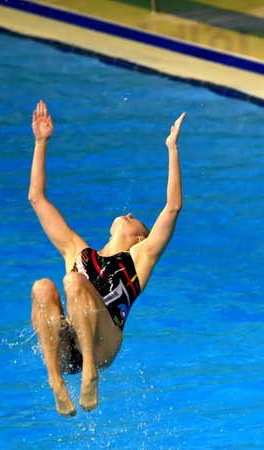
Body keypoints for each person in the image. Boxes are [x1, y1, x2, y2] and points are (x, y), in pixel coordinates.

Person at [28, 100, 185, 416]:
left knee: (73, 282)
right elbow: (37, 198)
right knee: (42, 287)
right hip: (67, 342)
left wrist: (172, 149)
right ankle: (55, 381)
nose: (129, 214)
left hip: (102, 346)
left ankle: (89, 374)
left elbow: (172, 208)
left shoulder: (139, 259)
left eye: (136, 218)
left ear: (141, 237)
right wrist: (41, 142)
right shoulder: (78, 251)